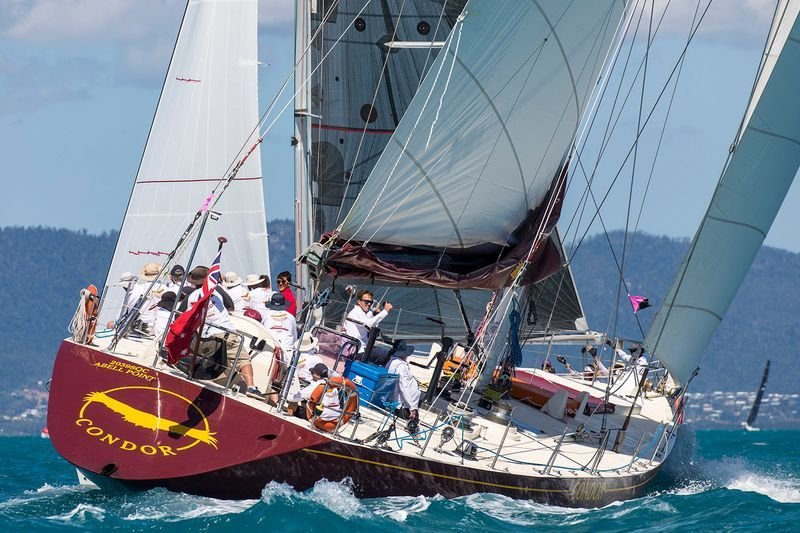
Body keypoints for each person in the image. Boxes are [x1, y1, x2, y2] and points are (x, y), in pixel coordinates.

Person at [185, 269, 262, 396]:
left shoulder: (192, 297)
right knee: (243, 359)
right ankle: (251, 387)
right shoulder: (216, 292)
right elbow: (230, 305)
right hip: (226, 334)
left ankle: (191, 374)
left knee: (202, 353)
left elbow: (189, 316)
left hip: (205, 337)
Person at [344, 289, 393, 354]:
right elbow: (368, 324)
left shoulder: (361, 312)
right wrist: (385, 311)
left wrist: (373, 312)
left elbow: (366, 317)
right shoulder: (356, 313)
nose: (369, 304)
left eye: (371, 302)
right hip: (357, 350)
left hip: (362, 347)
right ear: (359, 301)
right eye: (366, 302)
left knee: (386, 351)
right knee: (387, 354)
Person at [385, 340, 420, 421]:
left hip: (400, 404)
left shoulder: (391, 362)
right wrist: (412, 407)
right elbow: (404, 387)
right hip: (403, 406)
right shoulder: (401, 366)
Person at [262, 292, 298, 364]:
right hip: (287, 352)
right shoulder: (291, 317)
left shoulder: (264, 315)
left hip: (269, 351)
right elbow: (295, 338)